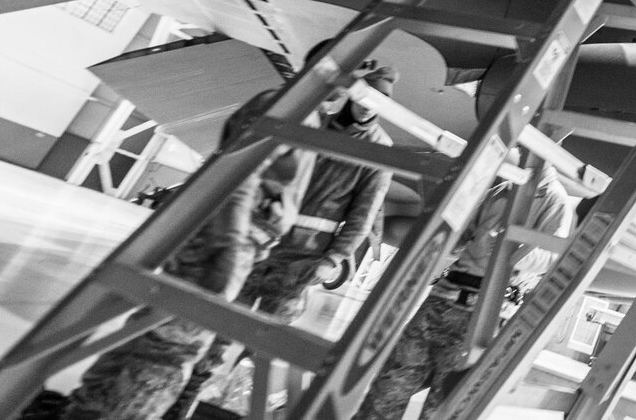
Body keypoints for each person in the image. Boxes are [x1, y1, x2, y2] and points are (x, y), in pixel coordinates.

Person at [61, 88, 319, 420]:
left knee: (151, 333)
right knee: (173, 346)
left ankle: (85, 412)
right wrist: (228, 242)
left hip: (231, 232)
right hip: (231, 234)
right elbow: (242, 171)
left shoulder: (292, 105)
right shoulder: (297, 106)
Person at [170, 60, 398, 418]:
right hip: (259, 245)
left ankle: (240, 405)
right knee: (218, 326)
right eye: (367, 93)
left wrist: (333, 259)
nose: (369, 104)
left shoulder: (382, 150)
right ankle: (184, 400)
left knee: (266, 344)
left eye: (379, 99)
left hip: (303, 261)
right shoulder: (314, 124)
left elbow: (363, 214)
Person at [355, 164, 576, 420]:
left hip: (482, 313)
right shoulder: (501, 190)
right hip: (442, 302)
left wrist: (509, 248)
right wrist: (438, 231)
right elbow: (461, 240)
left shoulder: (554, 199)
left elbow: (549, 258)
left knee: (443, 406)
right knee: (389, 388)